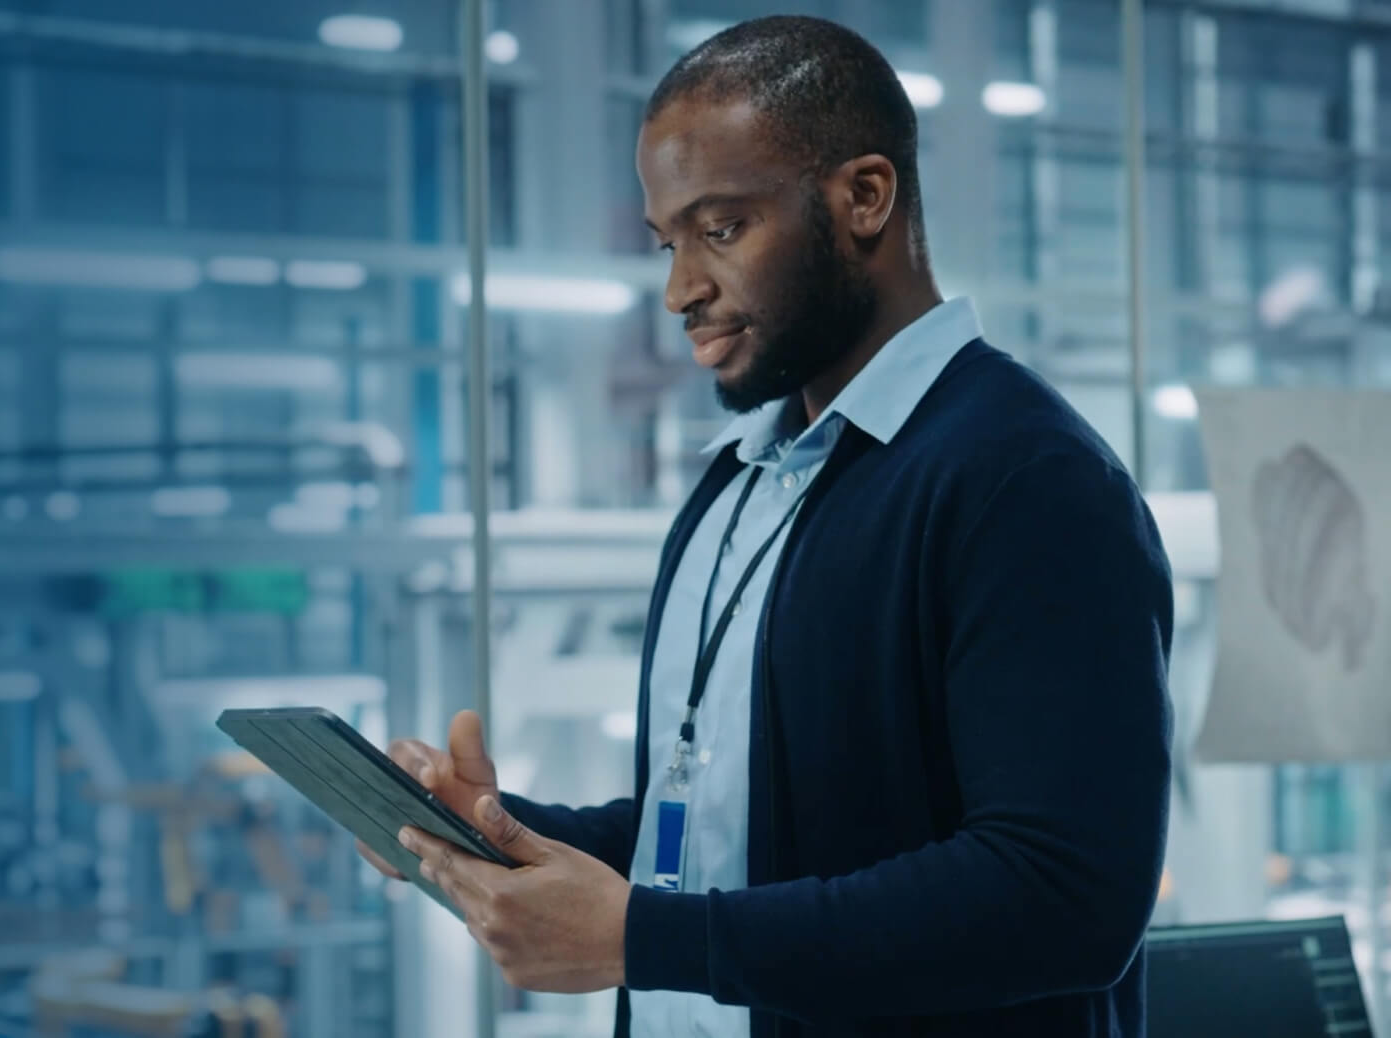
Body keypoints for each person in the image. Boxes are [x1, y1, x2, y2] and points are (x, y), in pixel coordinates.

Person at [358, 15, 1174, 1038]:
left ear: (863, 197)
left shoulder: (1025, 479)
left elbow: (1061, 898)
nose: (679, 289)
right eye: (667, 242)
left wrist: (646, 940)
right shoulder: (740, 487)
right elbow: (719, 833)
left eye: (722, 228)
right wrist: (491, 833)